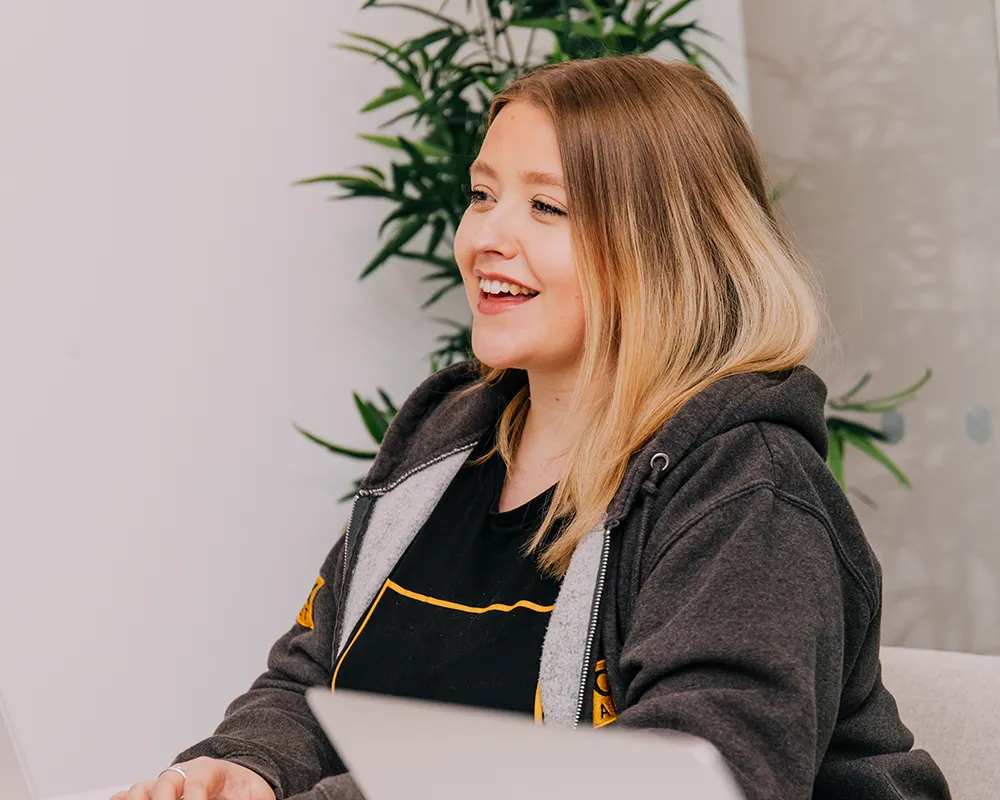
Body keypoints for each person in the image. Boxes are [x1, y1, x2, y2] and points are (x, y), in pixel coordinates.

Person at [114, 55, 950, 800]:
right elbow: (309, 681)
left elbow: (698, 774)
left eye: (547, 207)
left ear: (665, 248)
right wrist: (242, 768)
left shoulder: (746, 488)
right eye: (483, 195)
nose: (486, 237)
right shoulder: (439, 444)